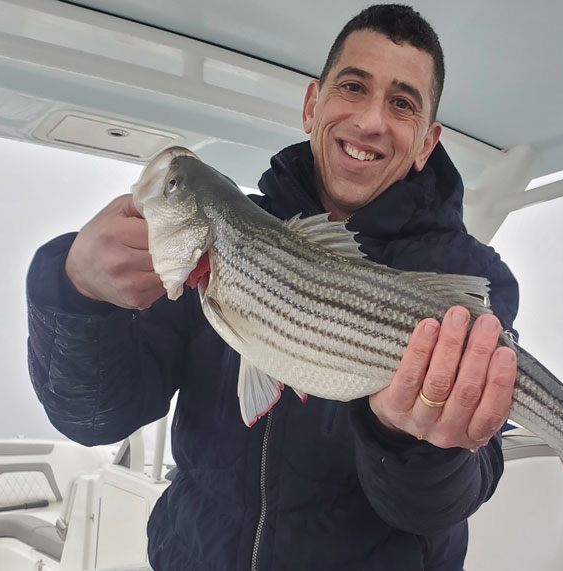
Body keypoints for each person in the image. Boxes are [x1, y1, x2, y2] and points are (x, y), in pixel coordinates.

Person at [27, 5, 519, 570]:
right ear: (313, 104)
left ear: (426, 142)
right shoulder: (205, 260)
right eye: (353, 86)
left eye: (402, 103)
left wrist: (409, 443)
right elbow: (94, 418)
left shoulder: (474, 276)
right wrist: (74, 291)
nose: (370, 121)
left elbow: (442, 505)